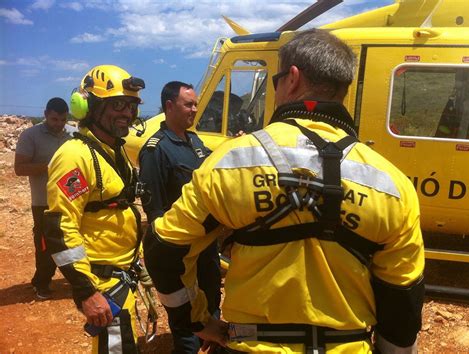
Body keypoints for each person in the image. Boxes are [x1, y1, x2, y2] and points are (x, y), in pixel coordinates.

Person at [144, 29, 425, 353]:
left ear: (291, 79)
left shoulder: (228, 163)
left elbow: (163, 249)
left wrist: (197, 320)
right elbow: (403, 302)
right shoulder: (392, 185)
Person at [43, 65, 146, 353]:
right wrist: (86, 291)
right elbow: (60, 229)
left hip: (122, 275)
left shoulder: (114, 151)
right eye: (117, 104)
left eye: (131, 105)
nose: (127, 112)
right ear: (88, 106)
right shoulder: (74, 155)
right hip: (102, 284)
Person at [140, 81, 221, 354]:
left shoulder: (195, 142)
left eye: (196, 104)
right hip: (178, 253)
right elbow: (155, 213)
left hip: (206, 247)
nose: (195, 109)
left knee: (212, 306)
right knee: (185, 320)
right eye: (189, 104)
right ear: (169, 106)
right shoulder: (155, 150)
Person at [14, 97, 72, 300]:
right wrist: (50, 167)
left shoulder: (72, 135)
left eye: (63, 120)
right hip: (43, 202)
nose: (59, 124)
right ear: (46, 114)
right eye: (55, 119)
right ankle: (42, 283)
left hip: (71, 200)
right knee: (45, 245)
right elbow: (19, 168)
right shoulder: (30, 135)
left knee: (72, 242)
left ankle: (75, 279)